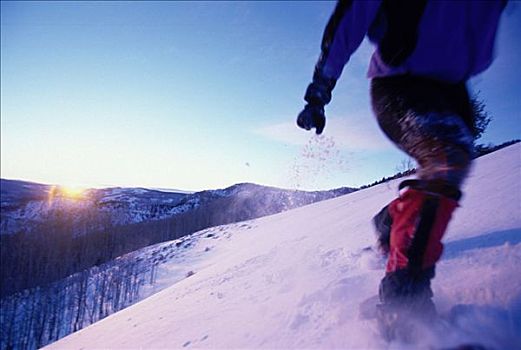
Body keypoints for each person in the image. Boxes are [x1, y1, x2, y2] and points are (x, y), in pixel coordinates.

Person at [296, 0, 506, 341]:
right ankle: (402, 302)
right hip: (400, 84)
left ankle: (393, 220)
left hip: (451, 90)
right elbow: (351, 16)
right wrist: (320, 89)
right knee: (446, 160)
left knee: (446, 167)